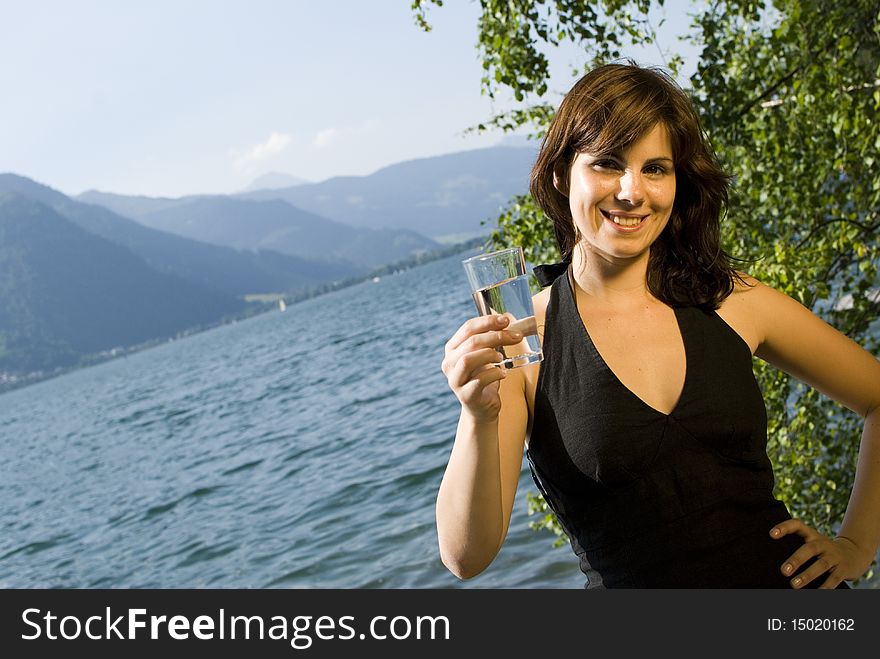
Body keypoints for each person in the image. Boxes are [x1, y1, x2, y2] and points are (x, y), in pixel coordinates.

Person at [437, 62, 880, 588]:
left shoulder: (731, 299)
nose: (632, 191)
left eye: (655, 168)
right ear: (561, 175)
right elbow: (466, 556)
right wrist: (478, 416)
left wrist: (856, 545)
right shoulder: (522, 339)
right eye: (606, 163)